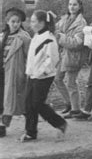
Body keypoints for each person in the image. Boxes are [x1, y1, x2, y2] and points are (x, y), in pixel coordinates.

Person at [20, 10, 67, 142]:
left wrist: (41, 72)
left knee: (37, 104)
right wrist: (30, 72)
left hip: (44, 77)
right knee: (28, 104)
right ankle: (30, 132)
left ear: (41, 23)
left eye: (34, 21)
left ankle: (59, 123)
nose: (31, 24)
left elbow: (52, 60)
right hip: (33, 75)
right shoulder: (36, 36)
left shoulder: (49, 39)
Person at [55, 0, 87, 118]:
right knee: (57, 79)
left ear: (79, 7)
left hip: (73, 56)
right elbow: (56, 29)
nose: (72, 7)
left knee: (71, 83)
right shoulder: (65, 19)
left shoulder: (81, 23)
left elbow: (77, 43)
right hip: (62, 55)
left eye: (74, 5)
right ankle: (69, 103)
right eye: (70, 4)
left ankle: (76, 110)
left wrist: (61, 37)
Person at [0, 8, 30, 137]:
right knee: (4, 100)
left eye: (17, 22)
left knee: (17, 101)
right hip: (2, 72)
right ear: (7, 22)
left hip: (15, 73)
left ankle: (30, 127)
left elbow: (29, 56)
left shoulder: (24, 37)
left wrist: (25, 72)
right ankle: (2, 126)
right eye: (12, 21)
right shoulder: (2, 36)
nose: (15, 24)